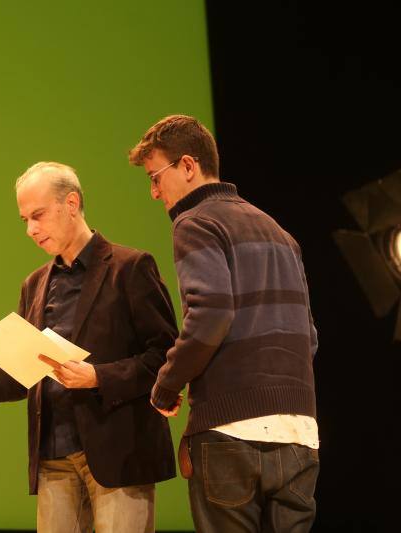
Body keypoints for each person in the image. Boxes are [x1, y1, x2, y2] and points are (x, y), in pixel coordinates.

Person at [0, 162, 178, 533]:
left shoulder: (130, 267)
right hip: (53, 456)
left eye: (38, 215)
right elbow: (20, 376)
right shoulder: (35, 284)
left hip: (118, 454)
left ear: (71, 203)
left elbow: (164, 357)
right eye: (24, 220)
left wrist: (98, 376)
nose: (31, 229)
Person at [129, 115, 320, 532]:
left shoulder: (195, 222)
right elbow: (309, 338)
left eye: (156, 177)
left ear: (188, 166)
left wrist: (166, 385)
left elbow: (210, 316)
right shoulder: (281, 234)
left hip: (231, 433)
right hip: (301, 433)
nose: (154, 192)